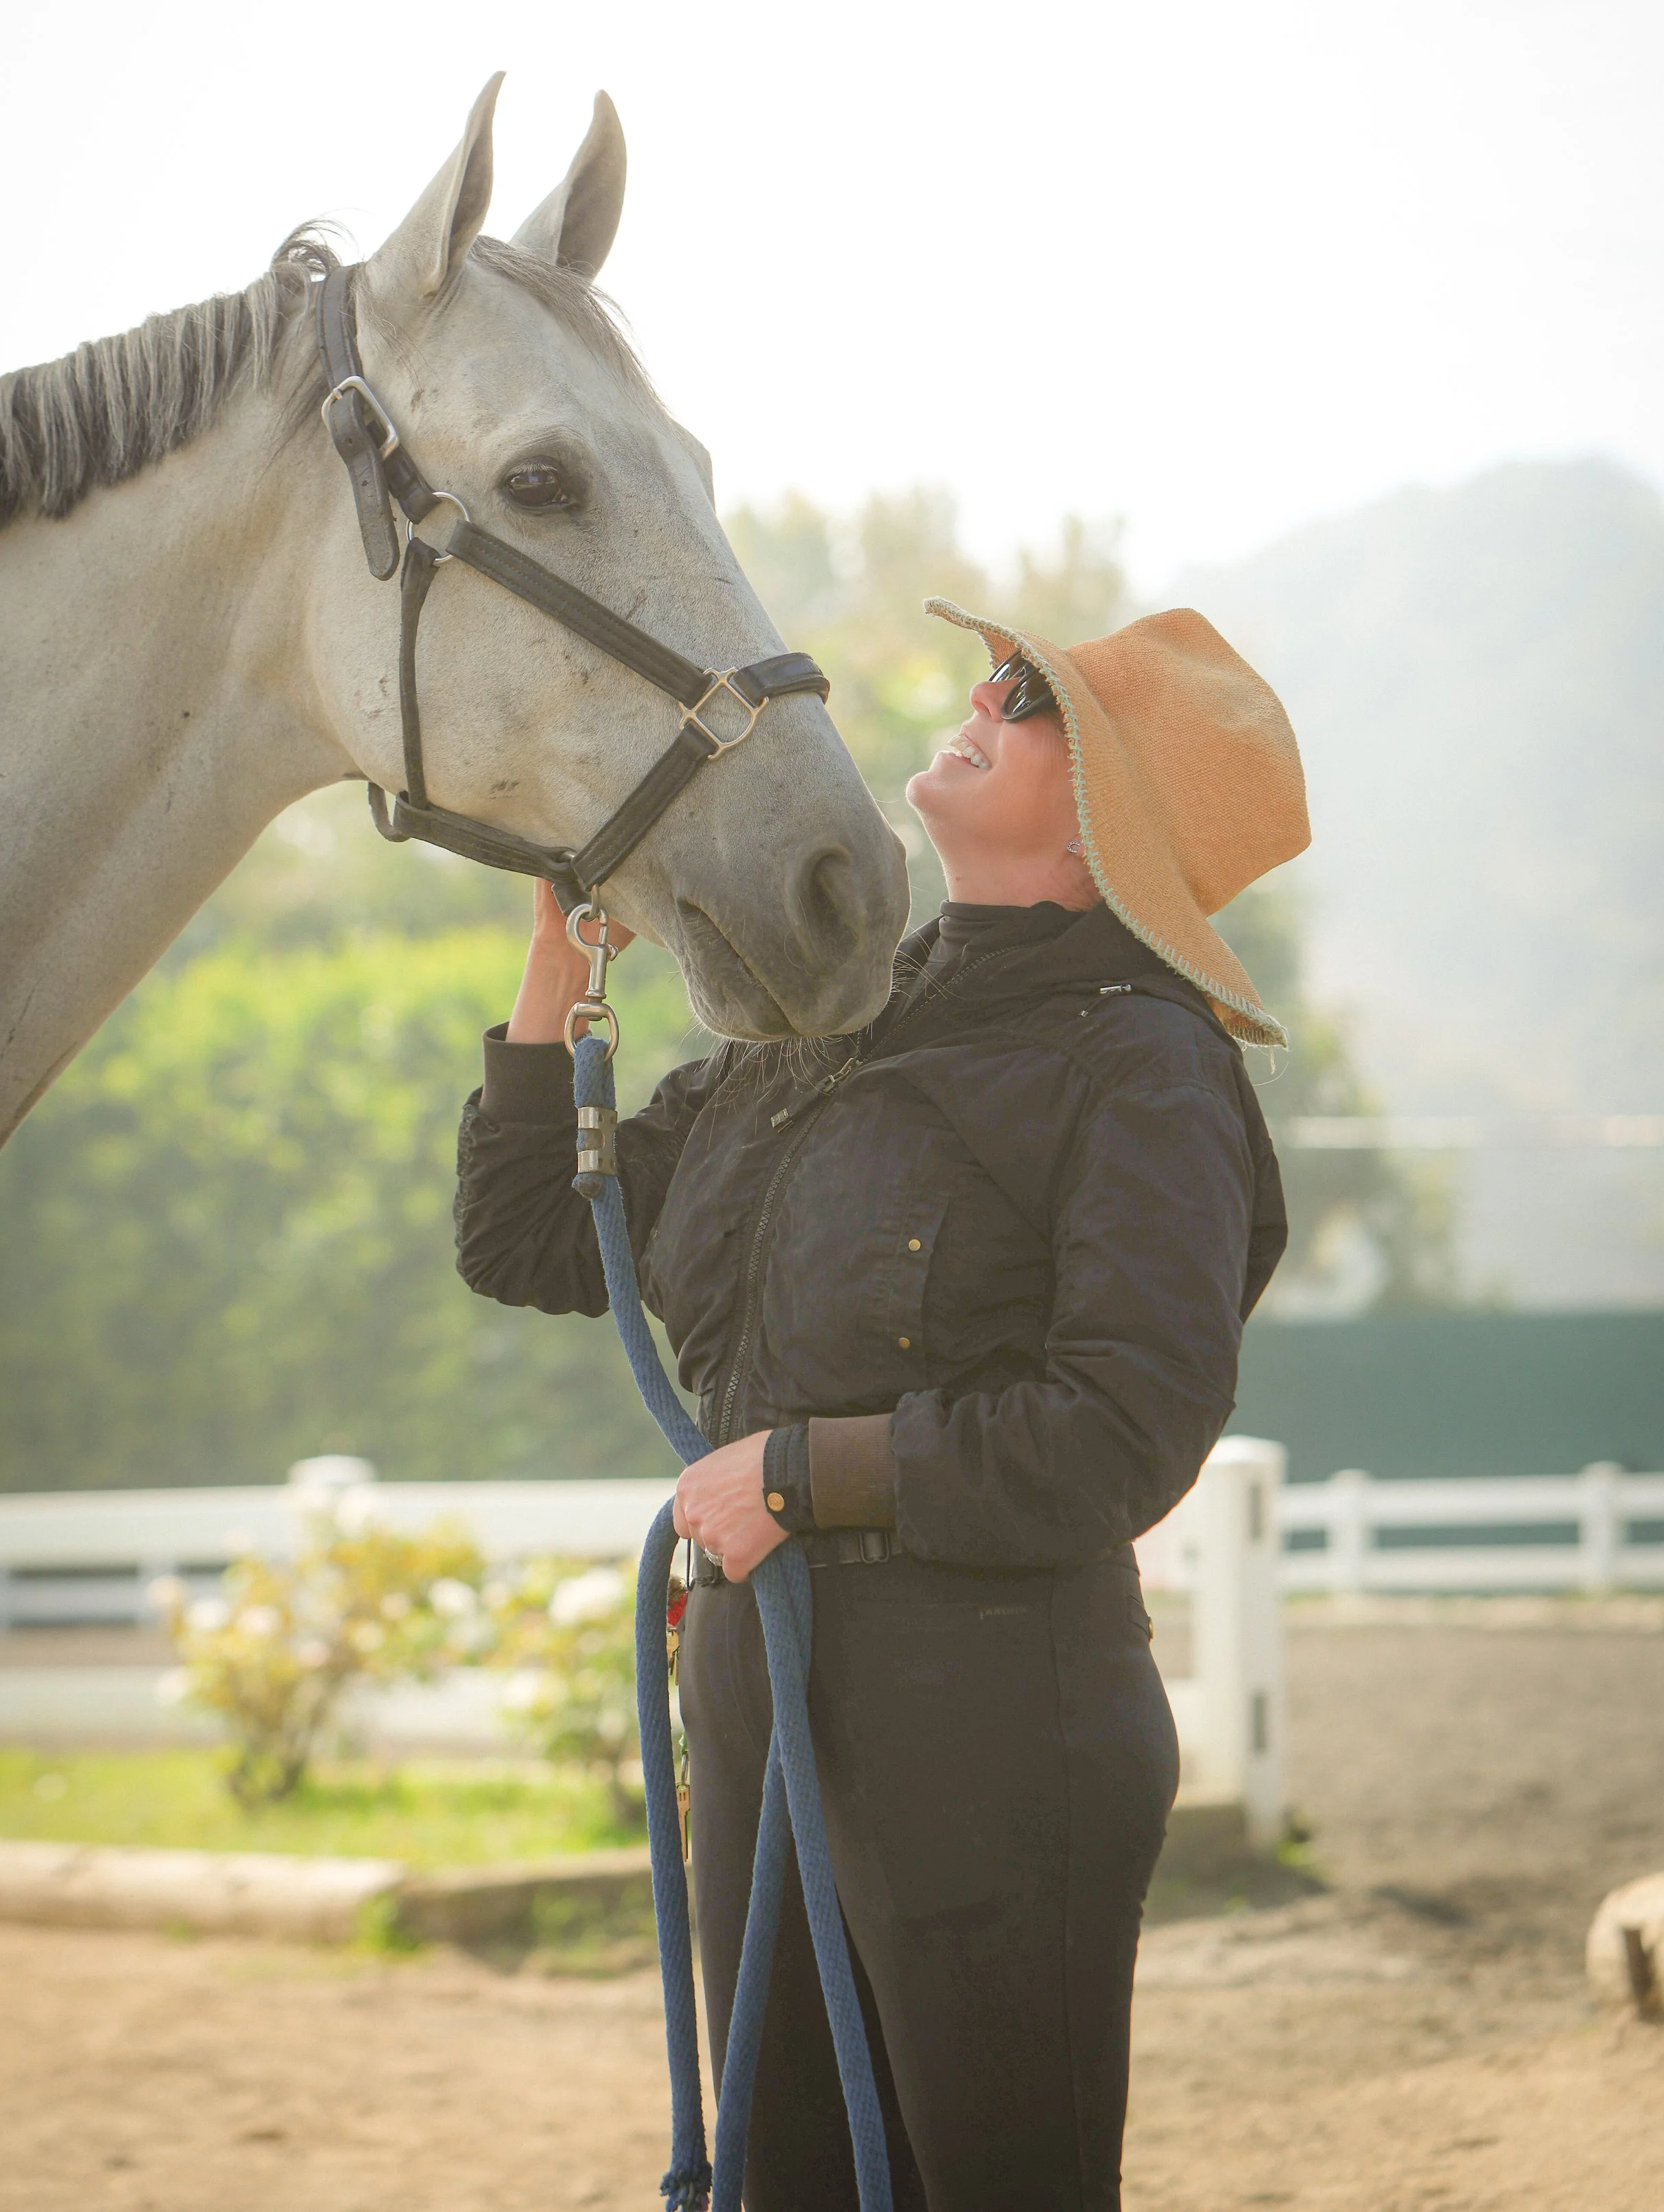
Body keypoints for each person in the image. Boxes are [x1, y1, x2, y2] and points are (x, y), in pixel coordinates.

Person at [455, 597, 1308, 2212]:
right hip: (759, 1694)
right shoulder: (822, 1019)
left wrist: (794, 1474)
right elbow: (532, 1239)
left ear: (1101, 819)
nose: (978, 694)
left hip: (995, 1715)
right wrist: (562, 949)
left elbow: (1122, 1429)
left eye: (1030, 698)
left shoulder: (1143, 1067)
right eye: (997, 676)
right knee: (782, 2181)